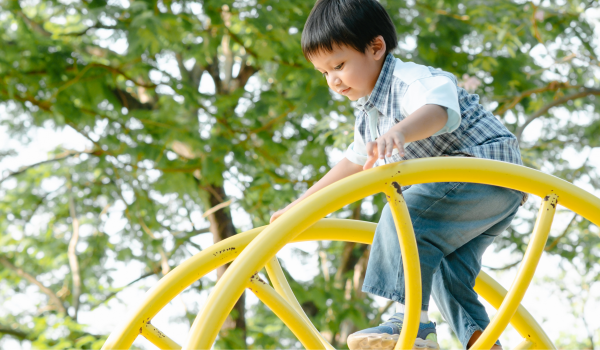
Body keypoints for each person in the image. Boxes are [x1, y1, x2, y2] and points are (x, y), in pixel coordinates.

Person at [269, 0, 527, 349]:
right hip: (486, 195)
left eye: (339, 65)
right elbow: (352, 164)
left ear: (376, 47)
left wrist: (402, 131)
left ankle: (411, 323)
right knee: (446, 275)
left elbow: (438, 109)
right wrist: (300, 205)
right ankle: (482, 342)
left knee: (403, 214)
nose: (333, 80)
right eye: (324, 72)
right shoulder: (369, 114)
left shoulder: (409, 79)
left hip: (484, 169)